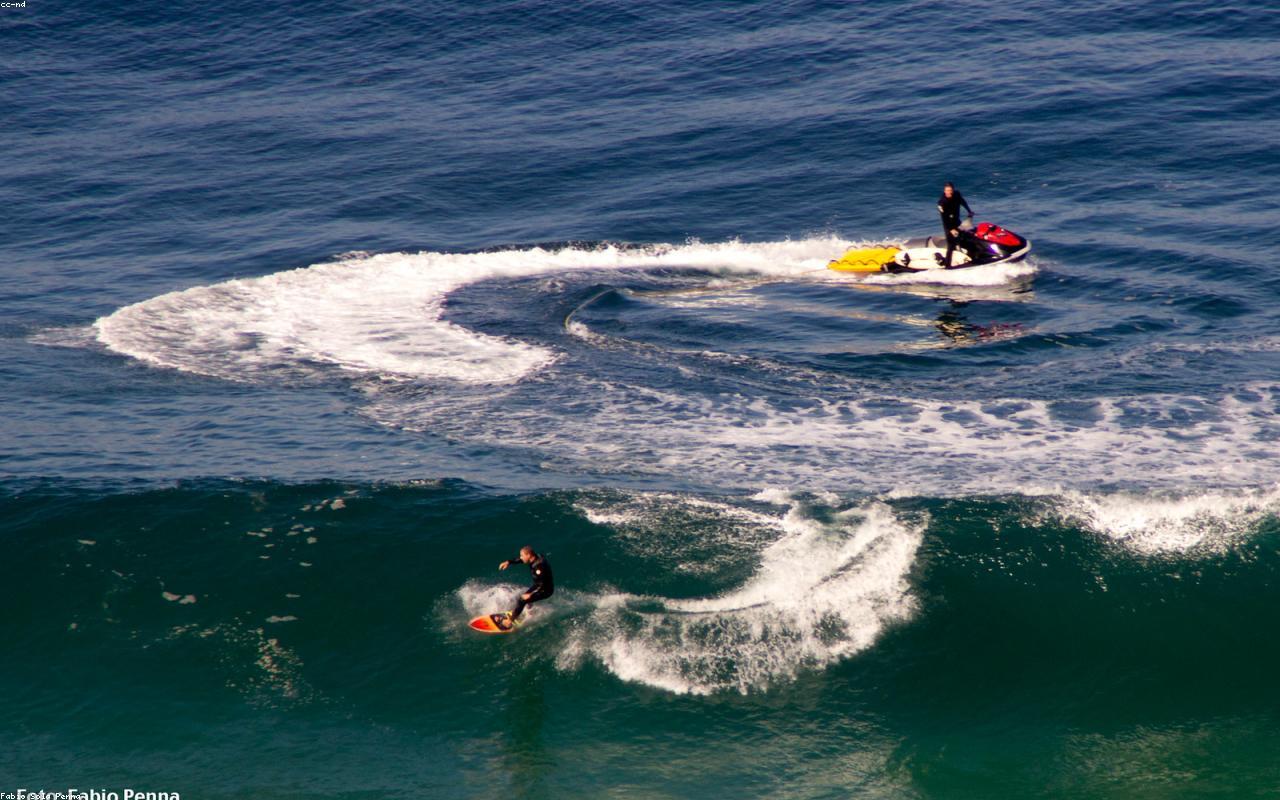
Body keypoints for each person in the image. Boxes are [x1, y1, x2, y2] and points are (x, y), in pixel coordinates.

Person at [496, 545, 554, 629]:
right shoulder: (535, 557)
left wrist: (531, 594)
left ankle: (509, 622)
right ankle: (529, 611)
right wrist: (509, 562)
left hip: (545, 590)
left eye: (522, 555)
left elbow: (543, 584)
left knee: (522, 599)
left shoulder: (539, 567)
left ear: (529, 555)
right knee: (524, 597)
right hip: (538, 585)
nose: (521, 557)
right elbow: (520, 560)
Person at [937, 182, 974, 268]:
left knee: (964, 238)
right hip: (948, 225)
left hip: (957, 221)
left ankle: (970, 256)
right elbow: (944, 217)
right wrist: (951, 229)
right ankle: (947, 266)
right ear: (944, 191)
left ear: (953, 190)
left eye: (950, 190)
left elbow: (962, 201)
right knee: (951, 245)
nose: (948, 192)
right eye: (947, 190)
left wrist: (969, 211)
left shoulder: (956, 194)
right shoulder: (942, 203)